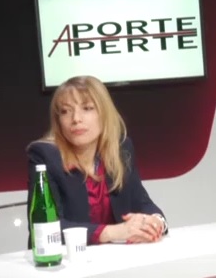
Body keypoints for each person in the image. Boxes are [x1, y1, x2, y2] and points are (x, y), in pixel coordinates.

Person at [27, 75, 168, 245]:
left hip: (114, 256)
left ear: (104, 114)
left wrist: (156, 222)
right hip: (66, 258)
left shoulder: (121, 150)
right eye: (65, 111)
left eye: (87, 108)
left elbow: (142, 202)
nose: (76, 119)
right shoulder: (45, 156)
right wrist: (113, 232)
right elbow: (44, 226)